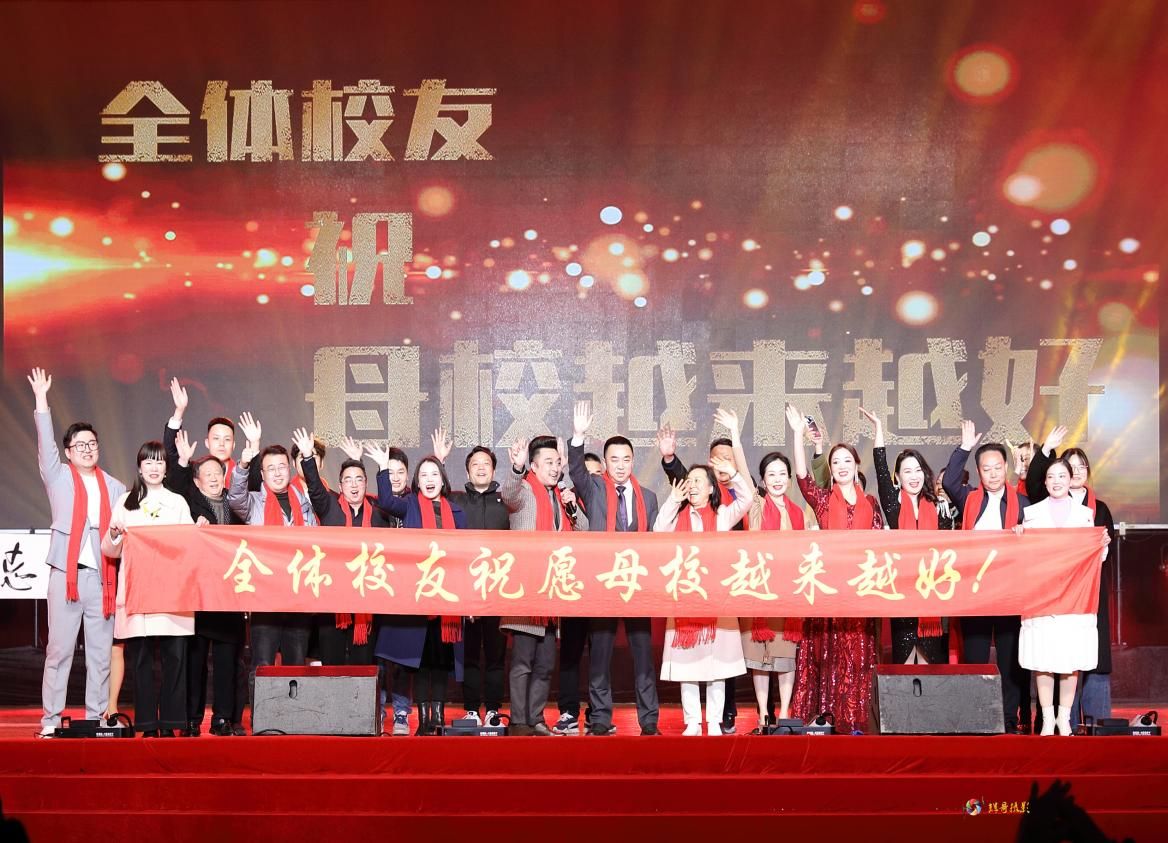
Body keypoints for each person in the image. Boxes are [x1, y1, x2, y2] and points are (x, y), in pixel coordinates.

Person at [29, 368, 127, 737]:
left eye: (92, 443)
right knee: (59, 651)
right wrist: (41, 400)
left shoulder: (114, 487)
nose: (87, 448)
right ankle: (51, 720)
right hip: (66, 577)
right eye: (80, 444)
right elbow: (45, 444)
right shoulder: (57, 476)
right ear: (69, 452)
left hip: (102, 580)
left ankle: (96, 717)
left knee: (100, 654)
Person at [785, 405, 882, 734]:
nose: (841, 466)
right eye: (835, 462)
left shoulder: (871, 504)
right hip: (828, 593)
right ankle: (826, 714)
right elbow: (802, 477)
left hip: (860, 594)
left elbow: (881, 546)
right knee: (827, 655)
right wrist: (797, 434)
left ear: (856, 466)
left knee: (857, 656)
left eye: (846, 461)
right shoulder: (823, 500)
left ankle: (856, 716)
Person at [568, 400, 661, 736]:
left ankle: (649, 720)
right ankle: (600, 718)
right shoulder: (593, 487)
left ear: (633, 461)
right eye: (614, 460)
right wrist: (578, 437)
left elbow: (655, 542)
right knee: (600, 657)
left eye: (626, 459)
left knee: (643, 657)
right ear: (605, 463)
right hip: (603, 584)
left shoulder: (648, 497)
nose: (620, 466)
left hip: (636, 585)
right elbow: (576, 471)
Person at [162, 378, 248, 737]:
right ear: (197, 481)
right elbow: (174, 474)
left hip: (229, 593)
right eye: (207, 474)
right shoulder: (189, 500)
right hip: (198, 594)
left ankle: (225, 718)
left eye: (218, 474)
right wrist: (178, 416)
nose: (213, 478)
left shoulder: (236, 505)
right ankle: (191, 719)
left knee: (228, 660)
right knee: (195, 660)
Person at [657, 409, 749, 732]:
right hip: (685, 598)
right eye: (690, 481)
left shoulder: (722, 516)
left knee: (717, 667)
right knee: (688, 667)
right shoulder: (678, 514)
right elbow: (658, 532)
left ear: (711, 488)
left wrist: (732, 473)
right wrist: (673, 500)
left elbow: (747, 499)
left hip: (717, 600)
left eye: (699, 481)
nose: (693, 485)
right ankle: (693, 721)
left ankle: (714, 721)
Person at [370, 442, 467, 735]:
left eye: (434, 474)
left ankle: (437, 717)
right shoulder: (409, 504)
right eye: (423, 475)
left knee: (441, 660)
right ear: (417, 481)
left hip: (448, 596)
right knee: (421, 661)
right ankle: (424, 720)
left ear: (443, 480)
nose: (429, 479)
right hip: (419, 594)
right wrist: (383, 469)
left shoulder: (457, 512)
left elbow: (465, 556)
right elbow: (386, 501)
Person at [101, 441, 195, 737]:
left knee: (174, 659)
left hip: (171, 592)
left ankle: (170, 724)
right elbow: (109, 550)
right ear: (140, 468)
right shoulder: (126, 502)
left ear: (167, 469)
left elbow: (190, 545)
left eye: (159, 462)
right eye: (148, 462)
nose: (154, 468)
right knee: (141, 660)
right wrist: (114, 534)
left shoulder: (178, 502)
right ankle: (146, 724)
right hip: (137, 591)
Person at [1025, 426, 1116, 729]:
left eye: (1065, 474)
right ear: (1046, 480)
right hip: (1043, 596)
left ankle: (1065, 720)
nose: (1059, 480)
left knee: (1070, 658)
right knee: (1043, 659)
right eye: (1052, 476)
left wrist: (1101, 545)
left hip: (1076, 597)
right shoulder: (1033, 513)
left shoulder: (1087, 515)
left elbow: (1098, 556)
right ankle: (1047, 719)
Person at [942, 419, 1031, 733]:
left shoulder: (1023, 503)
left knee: (1009, 660)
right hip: (976, 593)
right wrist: (964, 448)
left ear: (1006, 468)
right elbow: (949, 480)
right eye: (986, 469)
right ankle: (977, 717)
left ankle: (1008, 718)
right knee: (976, 658)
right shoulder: (969, 499)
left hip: (1010, 592)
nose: (992, 474)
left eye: (997, 468)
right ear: (978, 472)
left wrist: (1025, 533)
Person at [227, 418, 319, 716]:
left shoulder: (304, 503)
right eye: (271, 469)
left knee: (296, 663)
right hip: (265, 597)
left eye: (282, 467)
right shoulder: (253, 503)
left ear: (289, 469)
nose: (278, 473)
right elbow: (235, 497)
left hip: (298, 596)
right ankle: (263, 717)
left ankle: (295, 718)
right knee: (263, 663)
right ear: (263, 474)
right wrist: (244, 462)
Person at [500, 436, 585, 735]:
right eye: (548, 462)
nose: (555, 467)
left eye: (558, 462)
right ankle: (519, 721)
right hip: (526, 591)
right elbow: (508, 494)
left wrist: (572, 506)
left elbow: (584, 529)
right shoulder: (525, 490)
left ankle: (535, 718)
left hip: (552, 592)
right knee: (523, 661)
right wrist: (516, 467)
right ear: (534, 466)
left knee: (546, 663)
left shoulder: (562, 496)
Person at [292, 429, 393, 666]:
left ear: (366, 483)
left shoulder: (378, 514)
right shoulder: (329, 506)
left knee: (363, 667)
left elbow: (390, 501)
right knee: (332, 665)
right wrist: (307, 456)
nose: (353, 485)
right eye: (348, 480)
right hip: (332, 600)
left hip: (366, 599)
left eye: (359, 479)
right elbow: (315, 486)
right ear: (340, 485)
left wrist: (383, 468)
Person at [861, 408, 953, 665]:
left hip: (932, 592)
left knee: (930, 664)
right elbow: (881, 468)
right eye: (907, 471)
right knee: (904, 662)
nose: (914, 476)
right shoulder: (894, 504)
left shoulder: (939, 507)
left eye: (918, 470)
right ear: (898, 477)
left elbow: (948, 551)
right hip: (902, 591)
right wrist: (879, 429)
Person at [450, 445, 511, 727]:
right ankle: (472, 709)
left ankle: (493, 709)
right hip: (468, 591)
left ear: (494, 469)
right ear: (467, 472)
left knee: (496, 655)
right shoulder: (457, 502)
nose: (481, 468)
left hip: (499, 589)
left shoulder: (505, 503)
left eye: (486, 463)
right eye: (475, 464)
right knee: (470, 654)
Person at [744, 451, 804, 731]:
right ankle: (763, 716)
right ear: (763, 480)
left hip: (788, 592)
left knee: (785, 656)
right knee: (760, 658)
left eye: (782, 474)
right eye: (771, 474)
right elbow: (742, 475)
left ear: (789, 479)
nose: (777, 480)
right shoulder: (756, 505)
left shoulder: (798, 513)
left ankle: (785, 713)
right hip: (759, 589)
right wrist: (735, 439)